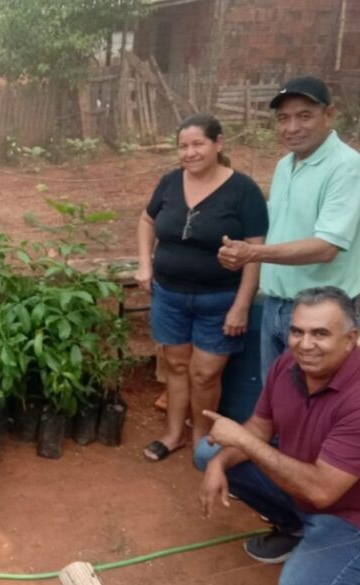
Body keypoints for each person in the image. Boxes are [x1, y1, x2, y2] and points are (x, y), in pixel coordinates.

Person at [199, 287, 360, 585]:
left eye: (320, 334)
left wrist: (243, 441)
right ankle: (294, 529)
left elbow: (321, 491)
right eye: (297, 331)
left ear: (349, 340)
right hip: (304, 487)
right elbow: (260, 428)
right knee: (208, 453)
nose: (305, 344)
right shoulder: (287, 365)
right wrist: (218, 463)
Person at [218, 76, 360, 382]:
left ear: (329, 114)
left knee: (315, 403)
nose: (292, 128)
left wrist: (254, 253)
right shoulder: (285, 165)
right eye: (283, 118)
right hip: (278, 304)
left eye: (304, 116)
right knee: (278, 399)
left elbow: (326, 247)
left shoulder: (346, 167)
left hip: (321, 314)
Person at [136, 114, 268, 463]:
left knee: (205, 373)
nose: (190, 153)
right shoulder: (169, 182)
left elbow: (255, 252)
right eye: (183, 146)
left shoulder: (243, 190)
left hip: (220, 299)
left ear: (218, 144)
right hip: (169, 294)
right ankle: (174, 434)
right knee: (177, 367)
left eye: (198, 144)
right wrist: (145, 263)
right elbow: (147, 220)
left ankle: (202, 439)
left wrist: (242, 304)